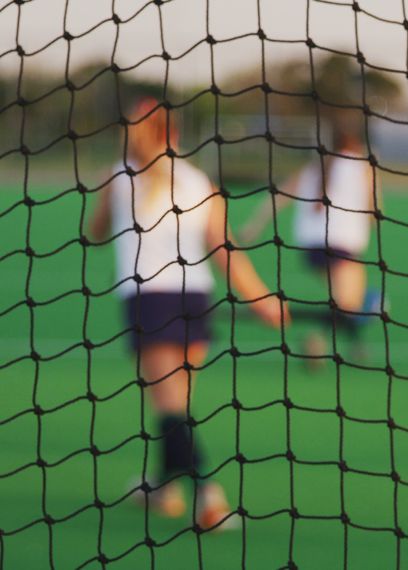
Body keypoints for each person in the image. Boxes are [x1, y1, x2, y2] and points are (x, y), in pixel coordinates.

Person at [88, 96, 289, 530]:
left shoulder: (119, 176)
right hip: (195, 300)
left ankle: (209, 497)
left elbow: (96, 232)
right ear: (175, 133)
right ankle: (163, 489)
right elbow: (226, 252)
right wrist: (263, 300)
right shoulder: (198, 180)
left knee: (171, 408)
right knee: (175, 403)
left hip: (149, 303)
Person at [241, 102, 379, 365]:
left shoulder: (314, 168)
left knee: (345, 300)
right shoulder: (363, 166)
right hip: (342, 244)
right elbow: (374, 208)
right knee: (351, 303)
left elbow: (278, 197)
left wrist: (252, 227)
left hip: (311, 248)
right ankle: (316, 342)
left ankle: (353, 346)